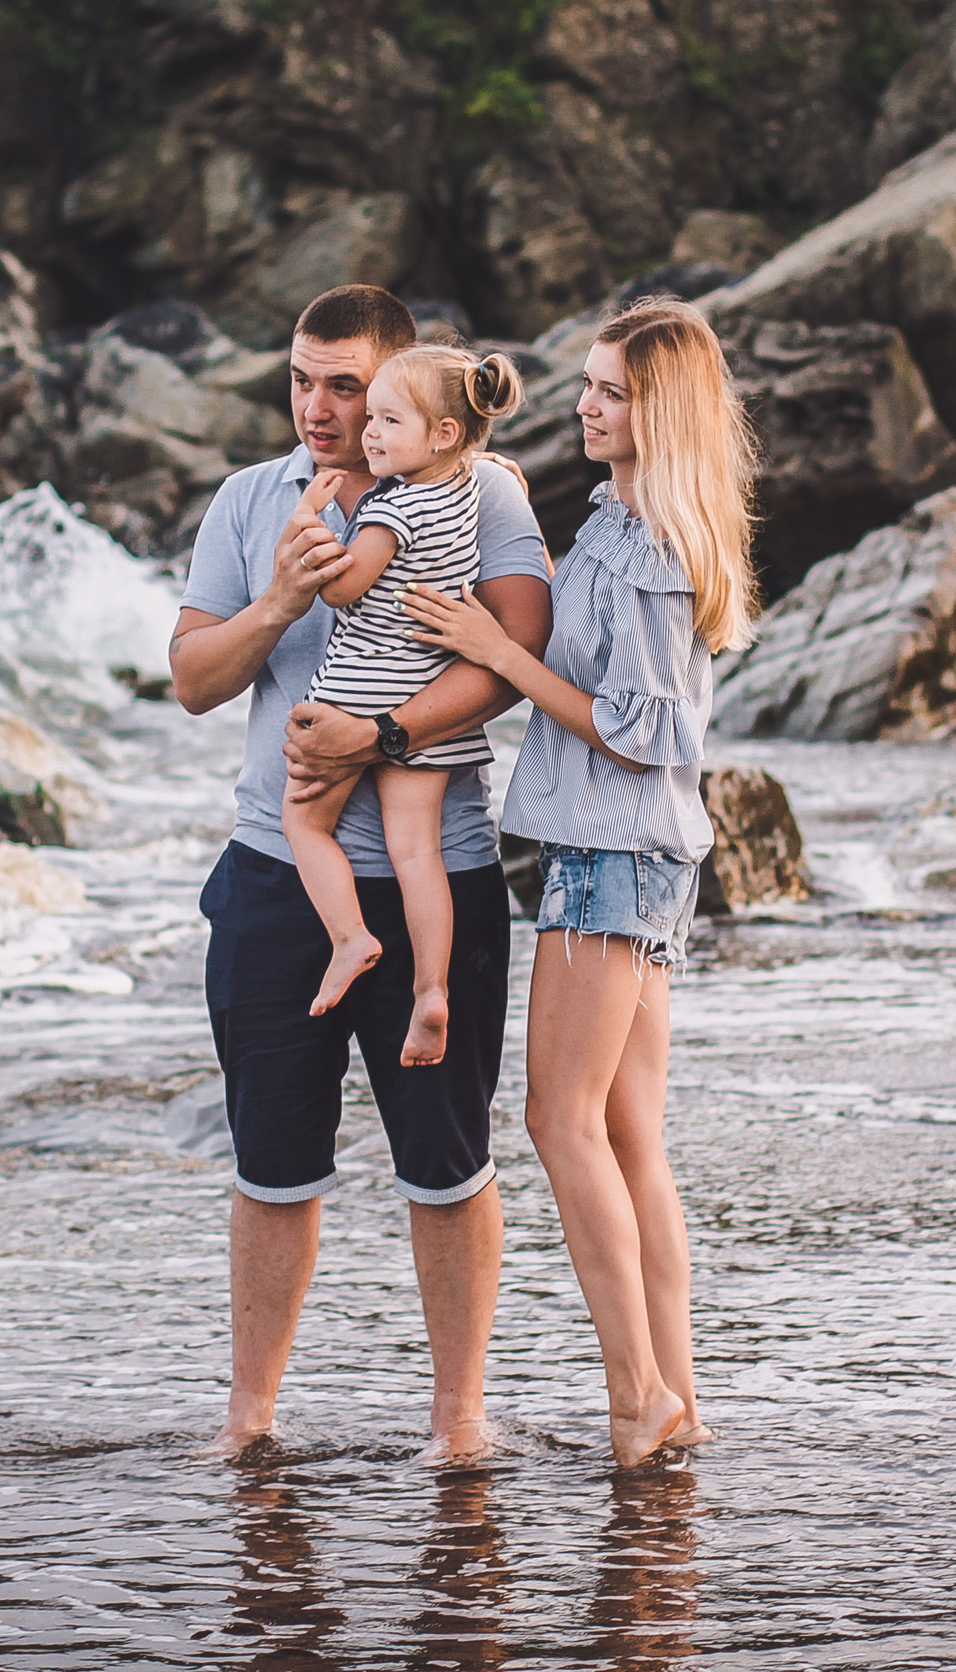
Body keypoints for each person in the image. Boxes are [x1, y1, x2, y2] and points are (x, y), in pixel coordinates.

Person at [169, 284, 553, 1462]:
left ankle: (458, 1421)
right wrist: (282, 595)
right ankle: (249, 1420)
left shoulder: (480, 488)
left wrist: (381, 737)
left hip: (441, 866)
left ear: (411, 391)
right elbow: (191, 676)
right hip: (276, 872)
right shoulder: (250, 501)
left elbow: (516, 649)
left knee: (446, 1159)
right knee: (271, 1161)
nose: (321, 408)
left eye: (348, 386)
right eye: (301, 379)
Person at [402, 296, 757, 1467]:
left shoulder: (651, 549)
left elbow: (634, 727)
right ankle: (674, 1397)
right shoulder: (621, 519)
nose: (586, 405)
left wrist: (500, 655)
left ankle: (635, 1396)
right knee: (626, 1135)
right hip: (632, 855)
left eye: (609, 391)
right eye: (590, 385)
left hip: (612, 855)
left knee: (559, 1122)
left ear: (660, 411)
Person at [283, 346, 526, 1068]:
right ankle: (430, 990)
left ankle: (350, 936)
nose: (369, 434)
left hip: (362, 684)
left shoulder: (394, 506)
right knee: (418, 851)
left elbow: (340, 588)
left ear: (444, 434)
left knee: (302, 820)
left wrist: (310, 516)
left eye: (389, 420)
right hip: (431, 691)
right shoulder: (472, 487)